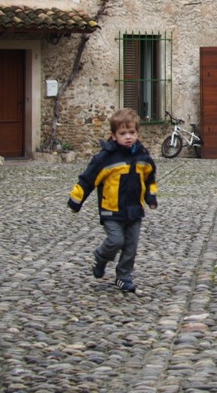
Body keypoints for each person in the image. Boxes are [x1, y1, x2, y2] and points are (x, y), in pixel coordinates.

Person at [68, 108, 158, 293]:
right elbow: (88, 179)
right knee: (116, 241)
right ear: (113, 135)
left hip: (134, 210)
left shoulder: (143, 156)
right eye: (123, 133)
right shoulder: (106, 158)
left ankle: (123, 276)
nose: (128, 137)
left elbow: (150, 178)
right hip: (111, 209)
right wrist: (76, 200)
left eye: (131, 132)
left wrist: (151, 197)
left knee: (131, 247)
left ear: (137, 133)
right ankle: (101, 256)